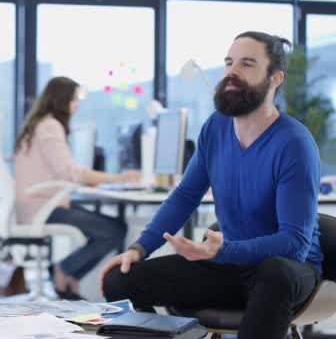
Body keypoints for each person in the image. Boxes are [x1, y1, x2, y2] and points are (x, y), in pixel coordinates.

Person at [99, 31, 322, 339]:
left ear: (274, 78)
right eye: (229, 62)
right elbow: (185, 196)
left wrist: (222, 249)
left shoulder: (294, 143)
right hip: (229, 265)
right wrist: (139, 248)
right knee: (119, 279)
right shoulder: (216, 127)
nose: (231, 71)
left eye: (246, 64)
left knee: (275, 273)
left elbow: (294, 245)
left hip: (289, 271)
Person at [14, 76, 141, 299]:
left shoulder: (38, 124)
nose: (77, 105)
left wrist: (94, 179)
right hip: (43, 208)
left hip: (38, 204)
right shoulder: (50, 126)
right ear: (62, 100)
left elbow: (65, 172)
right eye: (74, 99)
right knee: (114, 230)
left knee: (110, 228)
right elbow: (71, 173)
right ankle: (65, 270)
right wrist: (119, 178)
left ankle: (69, 277)